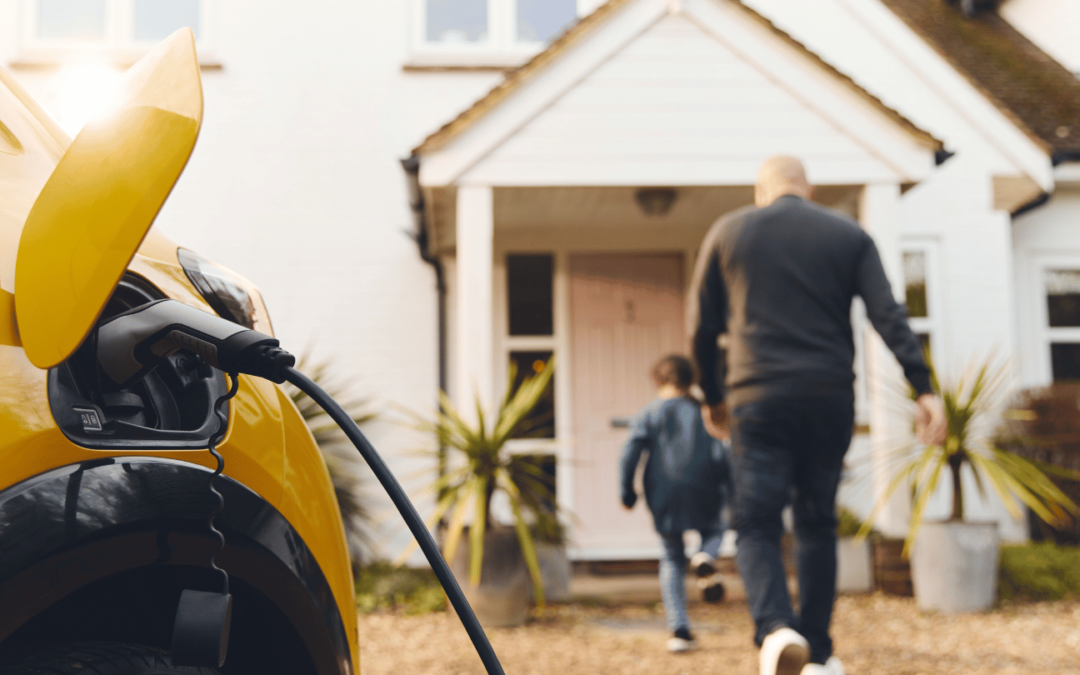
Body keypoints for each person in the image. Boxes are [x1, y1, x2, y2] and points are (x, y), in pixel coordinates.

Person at [690, 157, 947, 675]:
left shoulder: (729, 231)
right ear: (807, 188)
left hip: (756, 399)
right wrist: (924, 387)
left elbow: (701, 326)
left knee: (757, 522)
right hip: (828, 399)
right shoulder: (848, 235)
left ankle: (776, 630)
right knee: (816, 522)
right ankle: (819, 651)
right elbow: (887, 314)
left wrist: (713, 396)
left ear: (761, 190)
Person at [619, 354, 730, 654]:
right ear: (690, 380)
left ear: (658, 381)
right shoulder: (704, 411)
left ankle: (680, 630)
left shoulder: (649, 414)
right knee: (716, 529)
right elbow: (722, 450)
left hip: (663, 492)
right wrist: (729, 486)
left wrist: (626, 491)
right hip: (705, 486)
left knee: (671, 556)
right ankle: (705, 556)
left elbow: (630, 453)